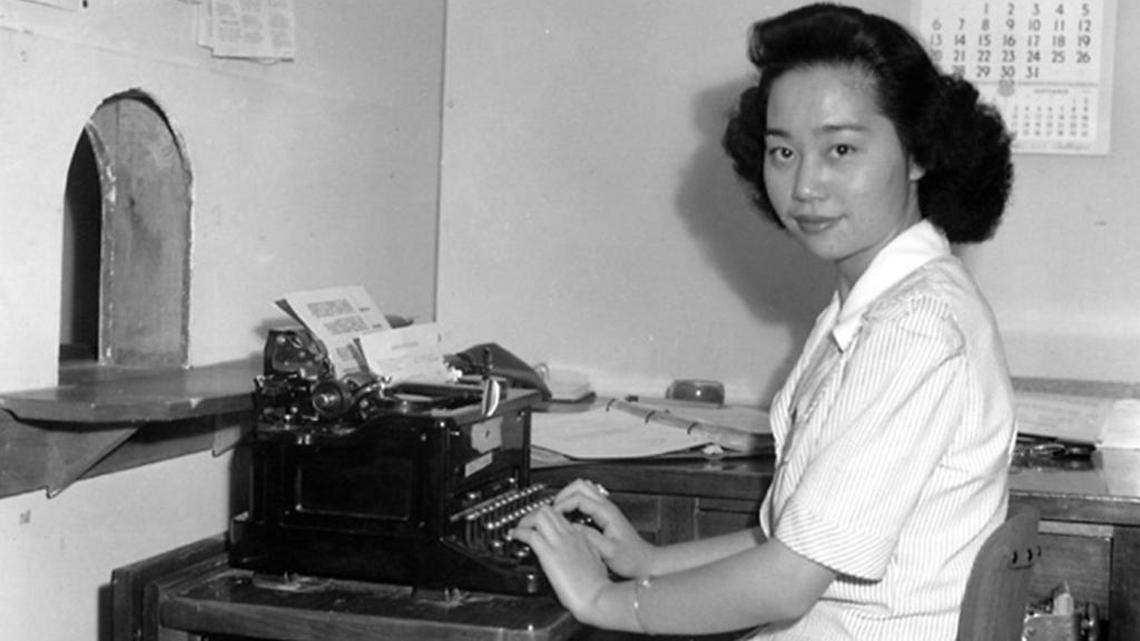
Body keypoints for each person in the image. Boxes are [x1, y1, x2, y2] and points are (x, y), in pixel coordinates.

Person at [508, 3, 1016, 639]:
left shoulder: (913, 328)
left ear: (918, 153)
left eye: (840, 148)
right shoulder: (885, 301)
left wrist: (604, 603)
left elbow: (788, 578)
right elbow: (798, 534)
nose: (805, 185)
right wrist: (651, 563)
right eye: (783, 151)